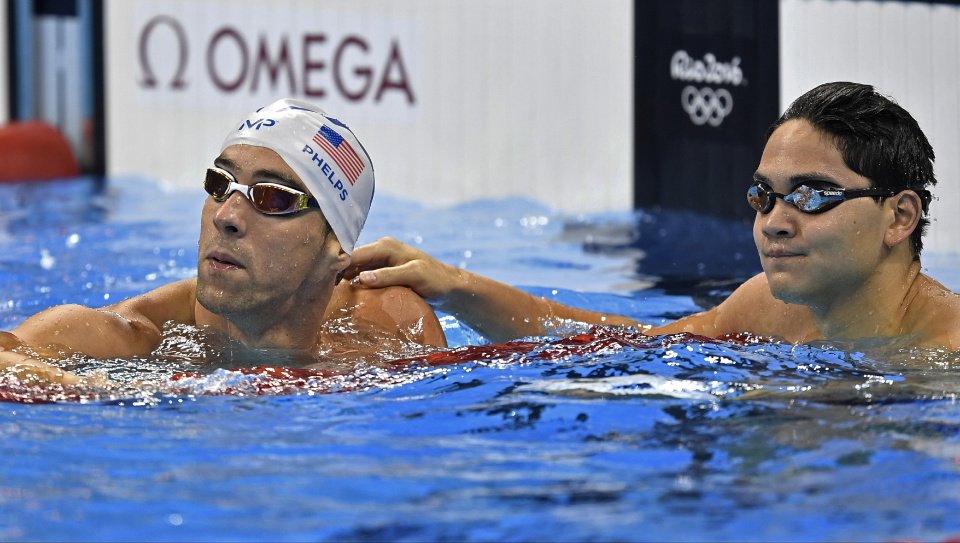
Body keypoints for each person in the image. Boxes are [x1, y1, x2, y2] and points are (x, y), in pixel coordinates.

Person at [346, 82, 960, 349]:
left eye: (812, 194)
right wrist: (454, 284)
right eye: (764, 195)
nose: (775, 221)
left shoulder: (948, 355)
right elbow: (608, 344)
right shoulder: (771, 311)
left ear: (899, 217)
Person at [0, 99, 446, 386]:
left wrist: (460, 285)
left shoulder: (391, 326)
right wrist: (93, 389)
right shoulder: (123, 339)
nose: (227, 217)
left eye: (272, 198)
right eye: (220, 184)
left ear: (336, 250)